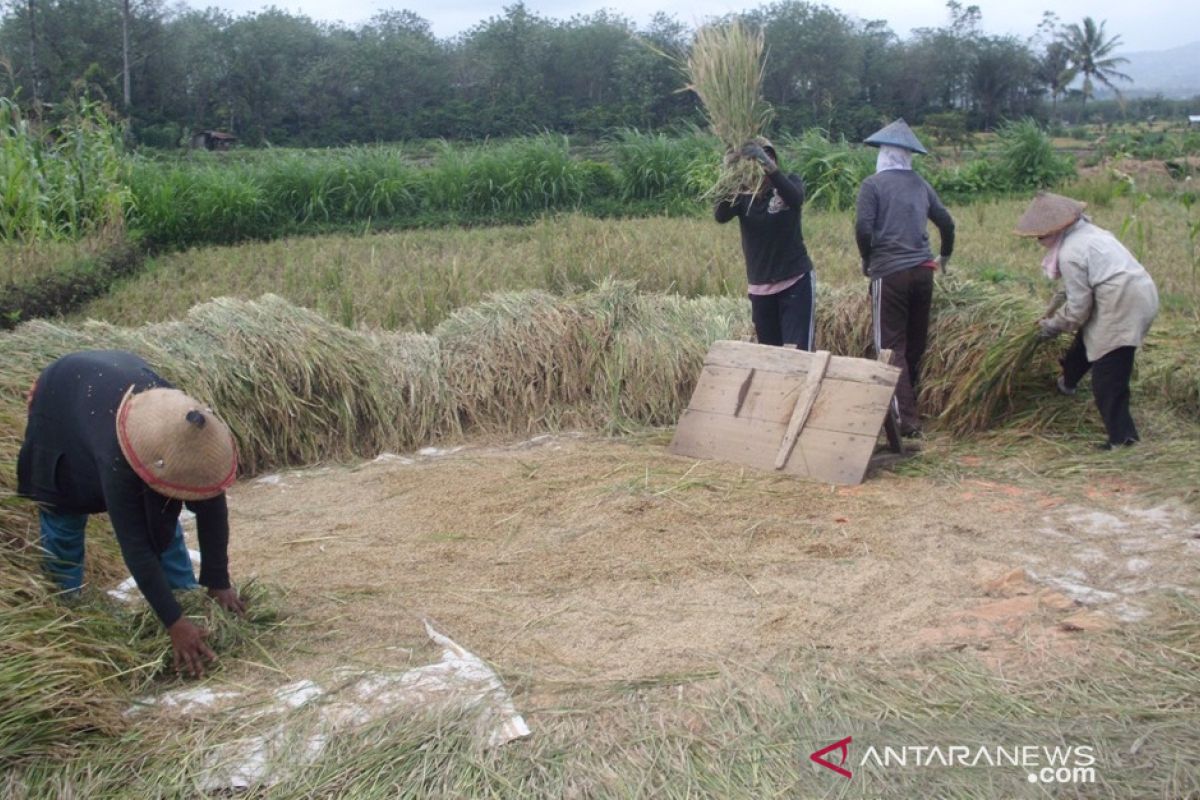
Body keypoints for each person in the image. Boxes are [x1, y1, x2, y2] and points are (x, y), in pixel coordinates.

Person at [17, 350, 245, 677]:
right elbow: (135, 545)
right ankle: (67, 620)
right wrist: (174, 623)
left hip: (106, 387)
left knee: (161, 519)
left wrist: (218, 580)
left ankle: (184, 595)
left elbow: (211, 506)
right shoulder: (118, 458)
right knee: (63, 521)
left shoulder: (190, 428)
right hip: (61, 404)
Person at [1015, 192, 1159, 449]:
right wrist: (1054, 307)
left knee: (1109, 374)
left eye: (1040, 236)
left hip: (1123, 302)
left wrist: (1052, 326)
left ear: (1056, 229)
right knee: (1088, 338)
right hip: (1136, 292)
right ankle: (1066, 383)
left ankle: (1123, 440)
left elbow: (1078, 310)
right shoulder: (1092, 233)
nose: (1038, 241)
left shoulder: (1071, 252)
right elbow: (1077, 292)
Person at [855, 118, 955, 438]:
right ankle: (912, 407)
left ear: (883, 155)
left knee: (890, 346)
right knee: (914, 343)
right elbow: (947, 223)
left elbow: (863, 229)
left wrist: (867, 259)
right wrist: (945, 257)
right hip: (924, 272)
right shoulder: (920, 184)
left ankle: (905, 422)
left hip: (891, 273)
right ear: (907, 156)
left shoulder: (873, 185)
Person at [715, 137, 817, 350]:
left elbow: (796, 199)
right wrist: (728, 174)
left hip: (794, 281)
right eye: (758, 157)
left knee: (796, 353)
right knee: (769, 354)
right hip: (760, 288)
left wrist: (766, 164)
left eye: (769, 156)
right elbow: (720, 215)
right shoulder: (742, 196)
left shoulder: (789, 183)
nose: (763, 162)